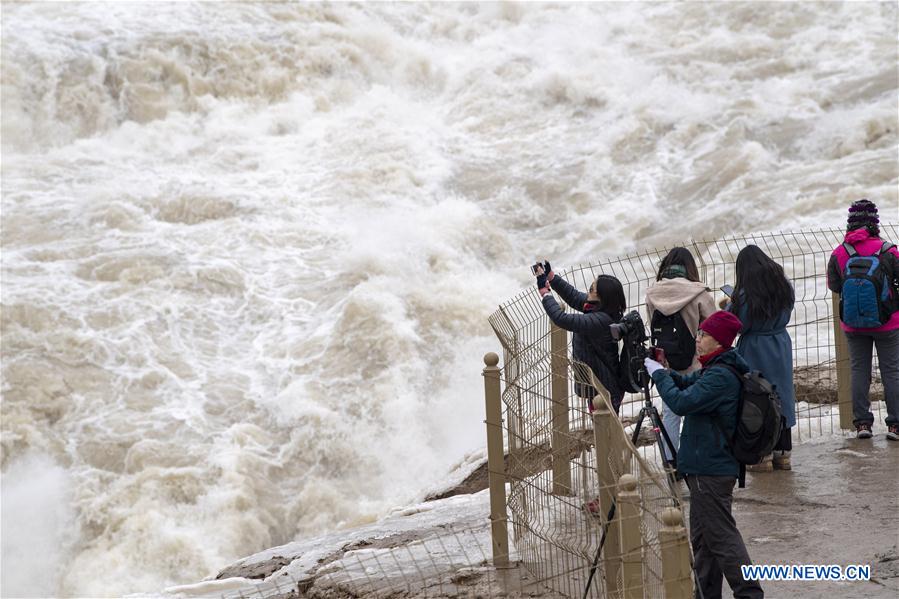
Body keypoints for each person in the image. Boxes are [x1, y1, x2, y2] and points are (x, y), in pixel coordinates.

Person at [644, 311, 764, 599]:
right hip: (705, 466)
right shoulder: (717, 367)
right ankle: (706, 593)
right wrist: (663, 369)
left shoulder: (721, 376)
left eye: (704, 335)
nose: (697, 340)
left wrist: (658, 376)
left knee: (721, 536)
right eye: (698, 334)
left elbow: (681, 402)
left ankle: (749, 592)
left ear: (720, 341)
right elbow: (687, 384)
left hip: (711, 468)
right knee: (704, 539)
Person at [826, 198, 899, 441]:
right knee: (891, 371)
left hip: (853, 323)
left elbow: (834, 285)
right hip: (888, 322)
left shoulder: (839, 252)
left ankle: (862, 424)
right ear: (875, 222)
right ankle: (895, 425)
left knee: (859, 371)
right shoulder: (889, 250)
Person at [726, 245, 795, 471]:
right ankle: (783, 453)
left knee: (757, 398)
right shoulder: (784, 288)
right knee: (782, 395)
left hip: (754, 347)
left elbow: (736, 324)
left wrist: (728, 305)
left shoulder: (743, 296)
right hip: (780, 344)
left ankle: (761, 456)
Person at [645, 247, 716, 462]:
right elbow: (713, 328)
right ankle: (698, 458)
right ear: (689, 268)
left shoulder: (652, 294)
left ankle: (670, 461)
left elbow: (653, 326)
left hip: (667, 364)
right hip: (697, 363)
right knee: (698, 413)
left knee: (671, 414)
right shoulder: (699, 293)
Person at [534, 263, 627, 413]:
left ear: (602, 296)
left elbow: (561, 318)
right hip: (599, 384)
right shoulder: (602, 308)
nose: (588, 290)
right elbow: (574, 296)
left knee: (607, 432)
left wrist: (545, 294)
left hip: (605, 389)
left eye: (592, 289)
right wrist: (551, 277)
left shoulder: (600, 321)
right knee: (604, 429)